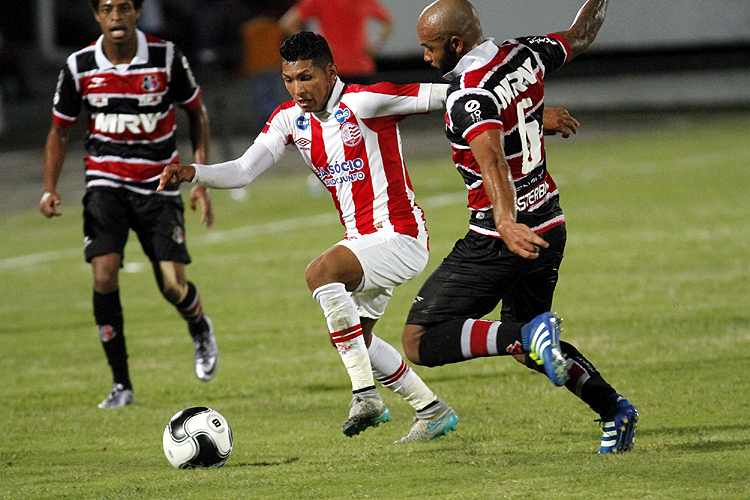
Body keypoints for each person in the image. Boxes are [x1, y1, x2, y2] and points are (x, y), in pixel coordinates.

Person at [159, 31, 578, 441]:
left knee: (321, 273)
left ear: (330, 71)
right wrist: (192, 172)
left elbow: (454, 97)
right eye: (288, 79)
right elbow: (243, 169)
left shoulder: (367, 101)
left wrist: (531, 114)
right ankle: (431, 410)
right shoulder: (290, 120)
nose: (297, 89)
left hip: (400, 236)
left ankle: (365, 396)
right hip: (364, 243)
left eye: (306, 77)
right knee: (355, 337)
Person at [401, 0, 639, 454]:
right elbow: (581, 33)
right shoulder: (523, 54)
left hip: (499, 237)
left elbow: (492, 162)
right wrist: (532, 115)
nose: (425, 58)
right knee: (529, 345)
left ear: (456, 43)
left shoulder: (469, 95)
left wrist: (506, 221)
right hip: (549, 224)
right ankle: (615, 410)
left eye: (430, 48)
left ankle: (531, 335)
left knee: (420, 340)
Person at [39, 0, 219, 409]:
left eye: (124, 7)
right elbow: (60, 131)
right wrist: (49, 188)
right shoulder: (79, 66)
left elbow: (196, 112)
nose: (116, 16)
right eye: (107, 8)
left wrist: (201, 178)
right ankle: (122, 384)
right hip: (105, 184)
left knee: (173, 287)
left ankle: (199, 325)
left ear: (138, 12)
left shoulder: (166, 56)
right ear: (97, 16)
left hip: (160, 183)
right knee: (104, 277)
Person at [278, 0, 393, 85]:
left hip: (355, 68)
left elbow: (287, 23)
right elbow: (287, 23)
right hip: (339, 69)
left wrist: (376, 43)